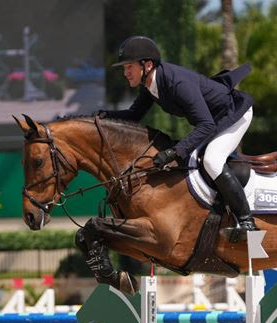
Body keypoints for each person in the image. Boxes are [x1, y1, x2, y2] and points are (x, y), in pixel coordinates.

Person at [100, 36, 257, 241]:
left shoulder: (177, 83)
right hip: (213, 120)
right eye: (124, 67)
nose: (125, 72)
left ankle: (247, 222)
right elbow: (134, 115)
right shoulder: (150, 84)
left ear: (147, 65)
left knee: (211, 159)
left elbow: (206, 125)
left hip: (234, 114)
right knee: (194, 158)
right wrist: (100, 116)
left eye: (129, 66)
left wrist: (174, 152)